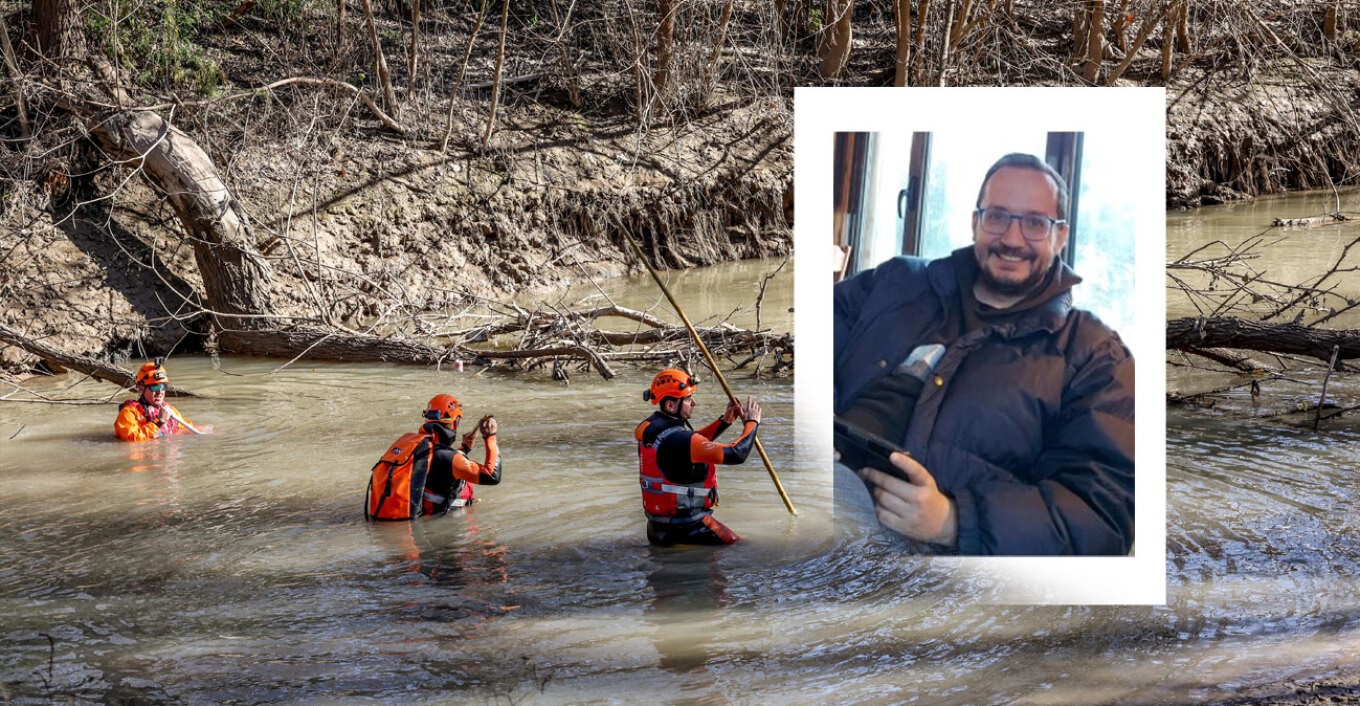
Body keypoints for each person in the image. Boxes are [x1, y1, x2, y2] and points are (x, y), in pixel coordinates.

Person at [833, 152, 1135, 556]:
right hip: (810, 503)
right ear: (976, 221)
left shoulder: (1097, 356)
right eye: (997, 216)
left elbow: (1105, 518)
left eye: (1033, 223)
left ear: (1060, 235)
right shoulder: (895, 280)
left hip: (911, 571)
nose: (1012, 240)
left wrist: (955, 522)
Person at [635, 369, 762, 547]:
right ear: (671, 405)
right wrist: (752, 423)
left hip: (657, 529)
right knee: (742, 547)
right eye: (687, 399)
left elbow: (690, 445)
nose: (694, 403)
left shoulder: (648, 429)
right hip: (692, 526)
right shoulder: (683, 440)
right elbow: (736, 453)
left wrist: (724, 422)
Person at [416, 394, 502, 515]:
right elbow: (492, 476)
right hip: (444, 527)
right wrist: (490, 437)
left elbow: (443, 465)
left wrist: (465, 448)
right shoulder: (448, 458)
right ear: (455, 422)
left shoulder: (419, 447)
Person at [114, 361, 197, 441]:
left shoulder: (169, 410)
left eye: (163, 387)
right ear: (141, 387)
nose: (160, 392)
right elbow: (131, 438)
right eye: (155, 387)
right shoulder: (129, 412)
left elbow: (188, 428)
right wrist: (159, 421)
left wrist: (208, 430)